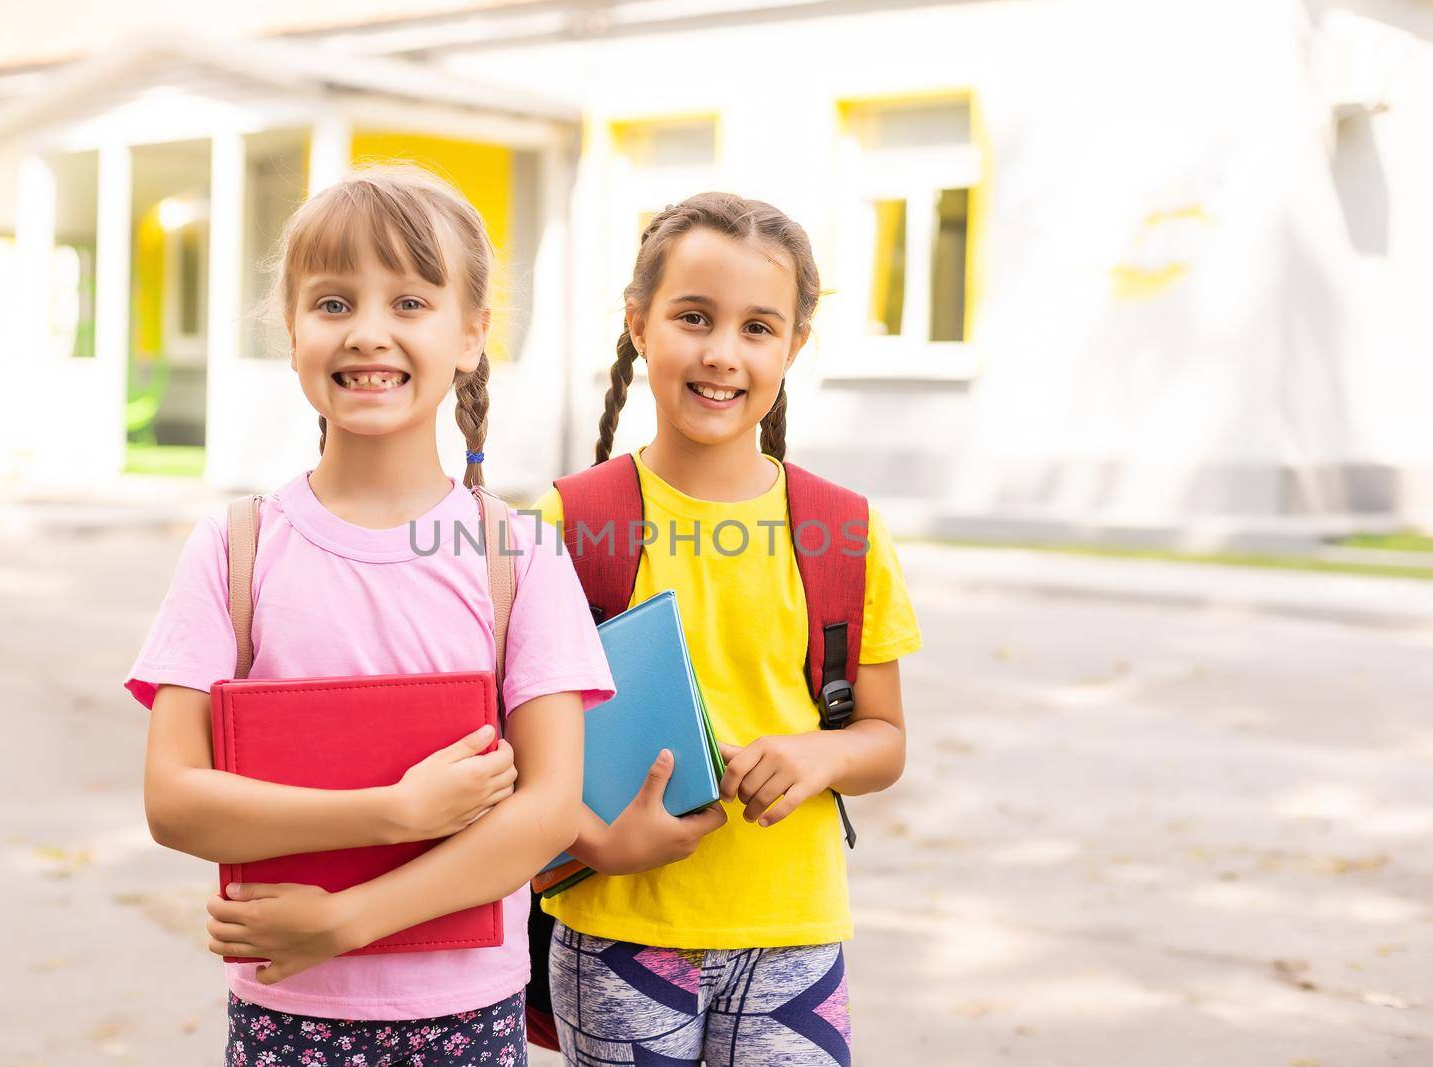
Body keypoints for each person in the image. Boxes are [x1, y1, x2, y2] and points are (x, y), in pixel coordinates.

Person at [128, 164, 613, 1067]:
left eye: (411, 303)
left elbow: (547, 812)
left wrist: (344, 920)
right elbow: (175, 799)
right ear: (293, 330)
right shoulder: (235, 549)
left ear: (472, 335)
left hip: (466, 1010)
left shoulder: (521, 558)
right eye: (335, 301)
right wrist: (392, 811)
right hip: (284, 1008)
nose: (369, 332)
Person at [534, 191, 922, 1066]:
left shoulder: (845, 531)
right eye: (693, 317)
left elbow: (885, 737)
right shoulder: (570, 522)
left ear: (795, 345)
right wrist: (600, 842)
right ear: (639, 323)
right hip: (616, 929)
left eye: (757, 327)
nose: (721, 353)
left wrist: (821, 753)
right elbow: (523, 747)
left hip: (793, 935)